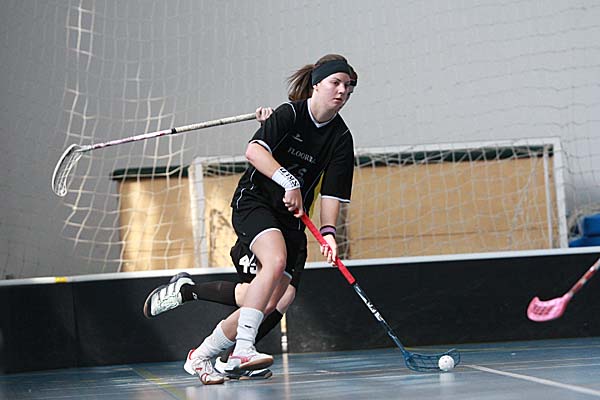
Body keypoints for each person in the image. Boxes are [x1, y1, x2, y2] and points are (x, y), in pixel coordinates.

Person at [144, 54, 357, 385]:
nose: (343, 91)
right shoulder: (289, 114)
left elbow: (332, 192)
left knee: (272, 300)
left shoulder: (341, 138)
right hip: (255, 203)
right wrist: (289, 181)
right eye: (336, 82)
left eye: (349, 86)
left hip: (292, 221)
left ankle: (201, 354)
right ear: (317, 84)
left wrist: (328, 232)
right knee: (274, 262)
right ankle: (242, 349)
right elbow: (254, 151)